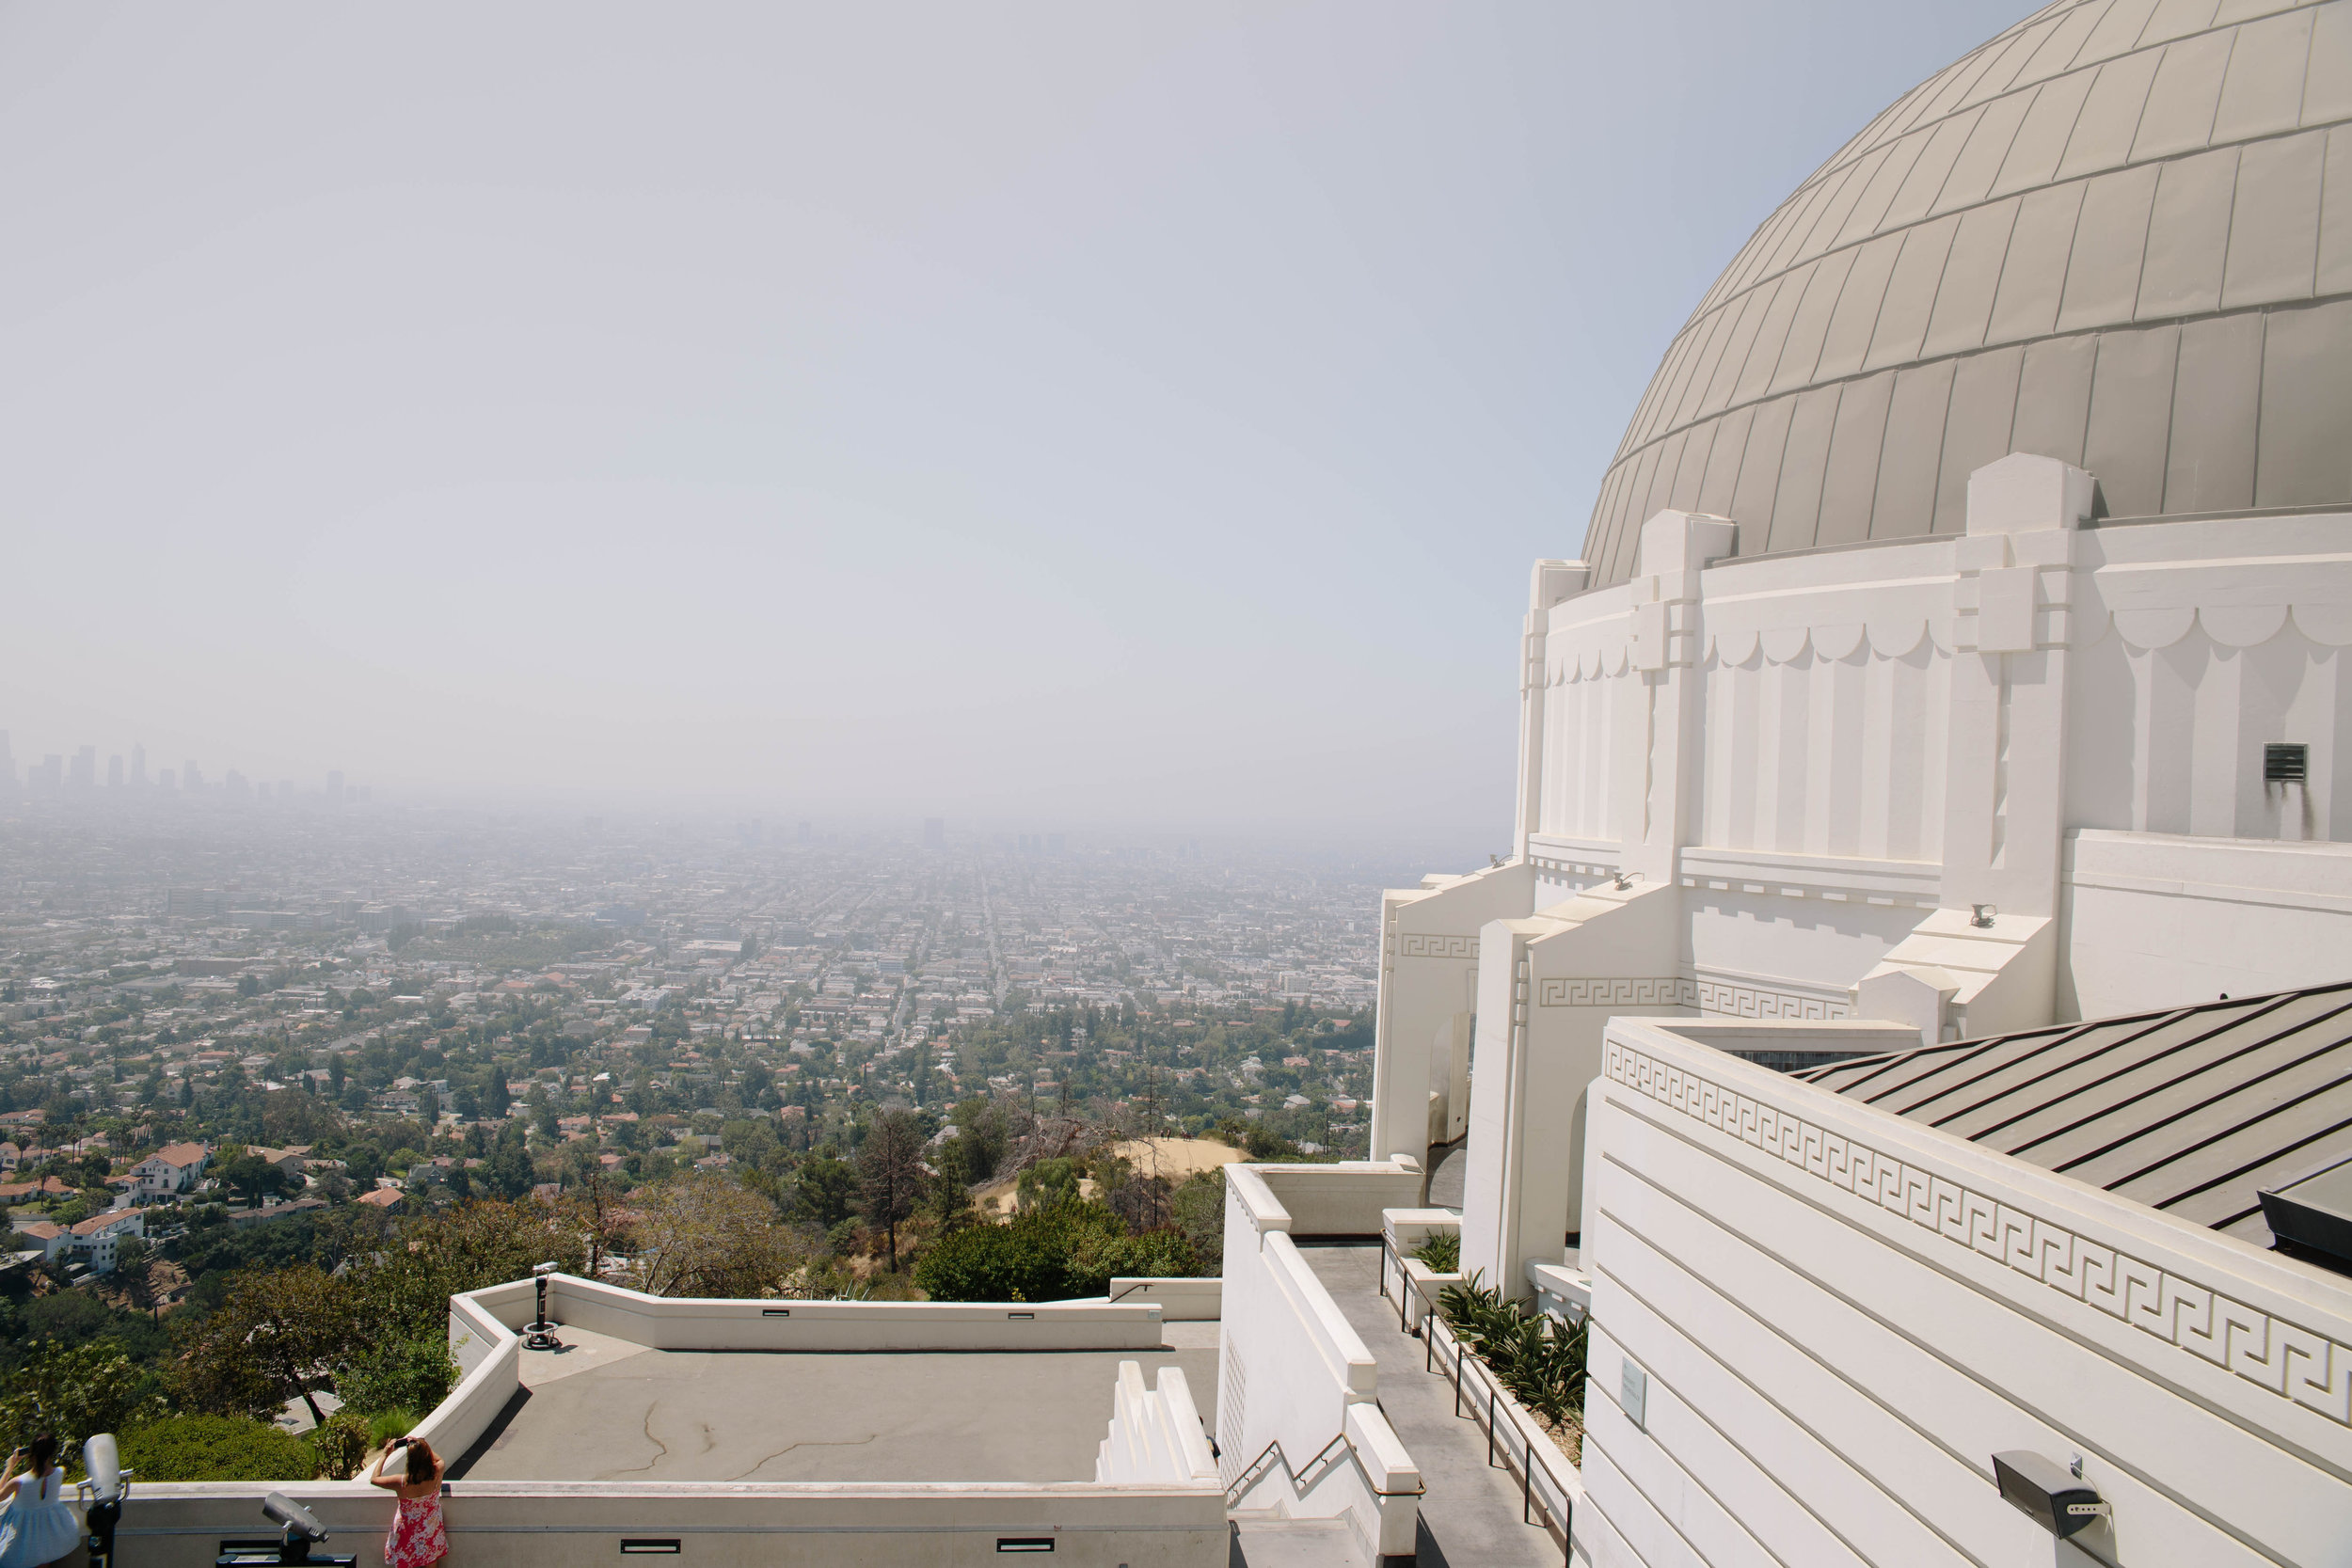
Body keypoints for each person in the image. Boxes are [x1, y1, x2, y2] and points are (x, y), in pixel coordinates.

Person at [0, 1434, 81, 1568]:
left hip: (21, 1532)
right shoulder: (60, 1472)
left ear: (31, 1453)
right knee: (43, 1558)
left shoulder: (19, 1482)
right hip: (47, 1529)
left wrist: (9, 1467)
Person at [369, 1435, 447, 1568]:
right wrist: (422, 1444)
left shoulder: (401, 1482)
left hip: (407, 1532)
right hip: (430, 1529)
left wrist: (384, 1455)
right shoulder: (437, 1472)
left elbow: (374, 1479)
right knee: (431, 1562)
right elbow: (438, 1459)